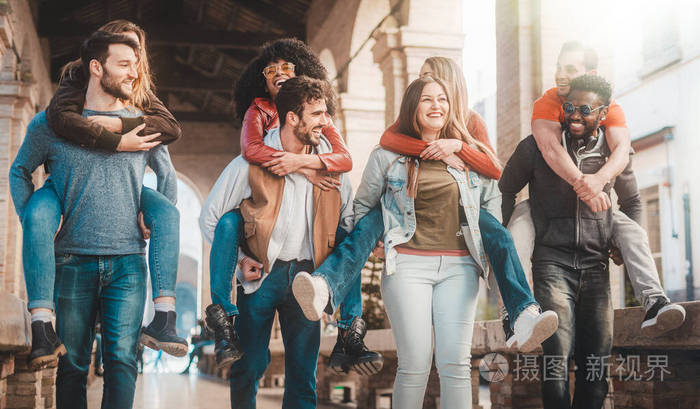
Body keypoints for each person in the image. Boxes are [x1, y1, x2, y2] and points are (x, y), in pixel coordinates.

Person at [293, 56, 558, 354]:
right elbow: (387, 141)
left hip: (460, 211)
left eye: (430, 80)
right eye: (420, 85)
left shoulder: (470, 121)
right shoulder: (406, 128)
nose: (420, 87)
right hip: (405, 215)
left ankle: (521, 314)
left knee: (499, 234)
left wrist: (459, 147)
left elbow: (494, 172)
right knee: (371, 219)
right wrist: (437, 151)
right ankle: (325, 285)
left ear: (449, 86)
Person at [10, 30, 176, 409]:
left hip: (128, 263)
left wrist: (154, 215)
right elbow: (19, 171)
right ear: (97, 68)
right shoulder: (52, 124)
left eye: (136, 66)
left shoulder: (141, 121)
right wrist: (35, 225)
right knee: (72, 365)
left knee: (122, 362)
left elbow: (166, 174)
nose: (135, 74)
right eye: (125, 65)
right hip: (70, 262)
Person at [203, 38, 381, 374]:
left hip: (308, 267)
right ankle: (222, 318)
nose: (280, 74)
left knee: (351, 231)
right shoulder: (257, 114)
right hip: (263, 262)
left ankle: (350, 333)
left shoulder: (322, 126)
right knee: (227, 220)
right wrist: (241, 260)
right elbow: (251, 152)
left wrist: (305, 165)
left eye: (288, 68)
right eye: (272, 70)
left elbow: (343, 159)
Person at [199, 76, 353, 409]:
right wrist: (240, 260)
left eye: (325, 113)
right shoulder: (248, 163)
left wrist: (330, 275)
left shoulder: (331, 165)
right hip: (262, 277)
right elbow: (211, 218)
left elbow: (349, 218)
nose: (324, 122)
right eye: (316, 114)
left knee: (303, 375)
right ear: (292, 118)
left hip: (307, 280)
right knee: (249, 366)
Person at [499, 74, 652, 408]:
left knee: (596, 365)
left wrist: (621, 247)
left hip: (596, 267)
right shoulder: (536, 147)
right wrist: (505, 237)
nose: (575, 115)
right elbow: (506, 188)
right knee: (556, 357)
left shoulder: (614, 154)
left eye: (585, 108)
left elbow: (634, 202)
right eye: (570, 107)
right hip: (552, 264)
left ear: (604, 112)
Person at [351, 75, 497, 408]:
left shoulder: (469, 153)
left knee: (455, 364)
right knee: (415, 363)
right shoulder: (386, 155)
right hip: (407, 266)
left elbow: (492, 198)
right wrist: (373, 241)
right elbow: (363, 205)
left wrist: (488, 237)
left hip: (460, 266)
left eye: (443, 99)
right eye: (427, 99)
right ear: (412, 107)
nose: (436, 106)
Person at [526, 41, 685, 335]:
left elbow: (622, 150)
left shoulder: (607, 106)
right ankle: (521, 310)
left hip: (598, 213)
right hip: (551, 209)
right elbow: (550, 149)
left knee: (633, 232)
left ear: (591, 73)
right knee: (517, 229)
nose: (561, 75)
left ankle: (654, 303)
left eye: (570, 69)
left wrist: (597, 182)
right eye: (559, 67)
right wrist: (584, 185)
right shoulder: (546, 102)